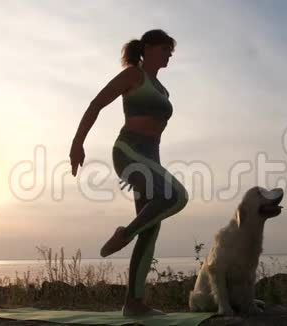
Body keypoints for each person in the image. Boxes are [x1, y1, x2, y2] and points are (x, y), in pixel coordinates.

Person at [69, 29, 189, 316]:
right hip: (128, 152)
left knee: (150, 230)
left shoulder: (163, 90)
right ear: (147, 48)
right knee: (177, 196)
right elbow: (96, 103)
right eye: (164, 48)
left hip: (150, 158)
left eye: (170, 50)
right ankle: (125, 233)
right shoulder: (133, 76)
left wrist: (149, 168)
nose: (169, 54)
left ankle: (133, 305)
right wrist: (77, 143)